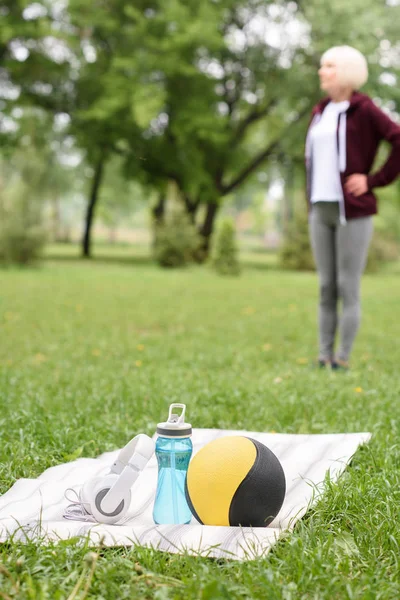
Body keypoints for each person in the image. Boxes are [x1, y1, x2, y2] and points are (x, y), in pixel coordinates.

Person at [305, 45, 400, 370]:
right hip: (321, 208)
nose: (322, 71)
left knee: (348, 285)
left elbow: (398, 139)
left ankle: (342, 359)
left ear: (345, 72)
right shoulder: (320, 111)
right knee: (325, 285)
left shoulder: (365, 109)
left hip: (353, 211)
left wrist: (373, 181)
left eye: (328, 66)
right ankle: (322, 355)